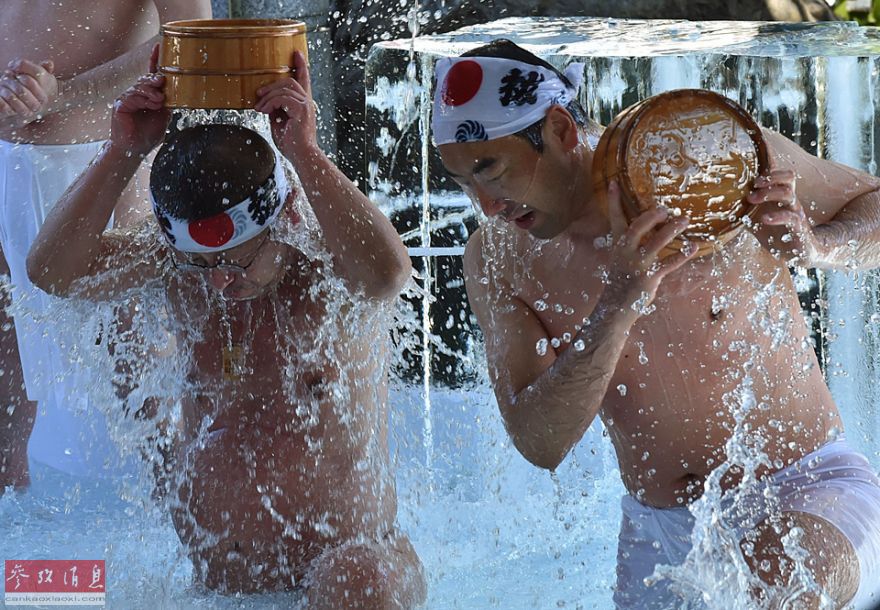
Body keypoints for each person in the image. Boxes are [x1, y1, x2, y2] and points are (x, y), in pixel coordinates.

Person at [432, 39, 880, 609]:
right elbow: (539, 441)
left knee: (775, 588)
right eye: (462, 183)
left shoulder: (712, 155)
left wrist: (820, 247)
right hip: (660, 535)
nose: (485, 206)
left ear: (561, 130)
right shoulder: (500, 258)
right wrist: (618, 303)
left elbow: (873, 201)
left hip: (811, 497)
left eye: (489, 170)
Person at [26, 50, 426, 606]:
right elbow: (53, 274)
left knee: (361, 582)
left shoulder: (327, 265)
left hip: (347, 570)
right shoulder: (176, 265)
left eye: (237, 262)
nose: (219, 285)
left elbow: (388, 275)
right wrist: (124, 150)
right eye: (202, 266)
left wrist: (304, 153)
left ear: (282, 219)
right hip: (222, 585)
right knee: (42, 595)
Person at [0, 0, 211, 489]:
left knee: (133, 344)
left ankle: (179, 515)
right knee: (6, 341)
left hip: (100, 156)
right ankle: (14, 520)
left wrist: (63, 95)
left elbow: (193, 39)